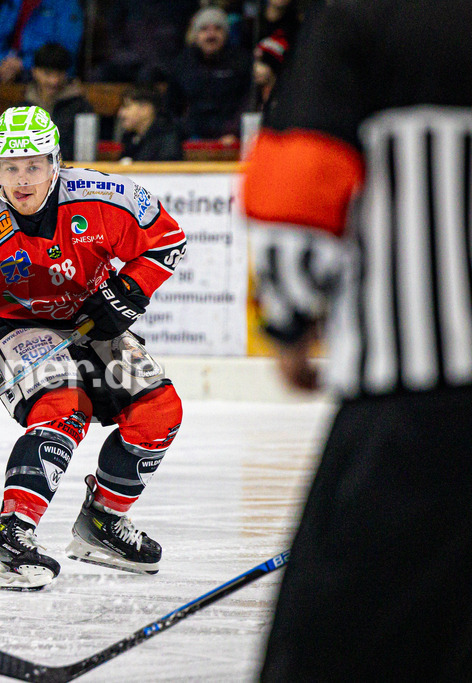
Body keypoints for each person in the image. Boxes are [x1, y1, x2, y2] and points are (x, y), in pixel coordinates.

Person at [241, 1, 472, 678]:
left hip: (417, 403)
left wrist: (288, 321)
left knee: (332, 650)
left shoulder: (362, 20)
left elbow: (298, 185)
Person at [0, 106, 186, 589]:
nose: (22, 181)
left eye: (34, 166)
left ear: (55, 163)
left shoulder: (105, 195)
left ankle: (102, 523)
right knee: (64, 406)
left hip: (91, 319)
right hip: (16, 329)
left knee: (159, 410)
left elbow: (168, 239)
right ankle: (12, 535)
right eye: (10, 168)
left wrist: (129, 292)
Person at [167, 7, 251, 143]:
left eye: (218, 28)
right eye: (204, 29)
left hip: (230, 137)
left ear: (226, 33)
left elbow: (247, 102)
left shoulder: (241, 61)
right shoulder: (182, 63)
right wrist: (182, 134)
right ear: (196, 35)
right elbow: (172, 107)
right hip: (191, 137)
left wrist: (234, 132)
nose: (211, 35)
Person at [20, 43, 93, 161]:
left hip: (71, 173)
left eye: (59, 73)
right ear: (34, 72)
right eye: (47, 73)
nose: (54, 81)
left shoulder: (81, 108)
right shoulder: (21, 109)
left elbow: (86, 154)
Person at [0, 0, 82, 84]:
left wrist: (22, 64)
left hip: (47, 73)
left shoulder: (66, 4)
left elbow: (67, 49)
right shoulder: (14, 2)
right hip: (6, 69)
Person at [117, 83, 182, 162]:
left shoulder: (167, 139)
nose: (121, 113)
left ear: (146, 109)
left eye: (127, 106)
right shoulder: (130, 138)